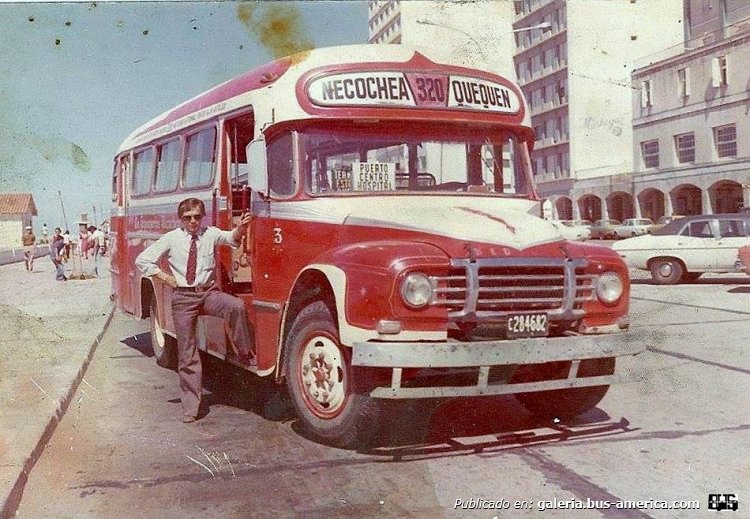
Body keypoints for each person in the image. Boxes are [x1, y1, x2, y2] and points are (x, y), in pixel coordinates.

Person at [135, 197, 254, 423]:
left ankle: (245, 354)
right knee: (187, 352)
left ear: (203, 217)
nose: (193, 221)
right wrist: (166, 278)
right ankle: (190, 408)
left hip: (208, 293)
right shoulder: (171, 238)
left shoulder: (210, 233)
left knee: (236, 306)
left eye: (197, 217)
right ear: (181, 219)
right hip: (183, 298)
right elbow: (143, 260)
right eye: (188, 217)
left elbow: (232, 238)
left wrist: (242, 228)